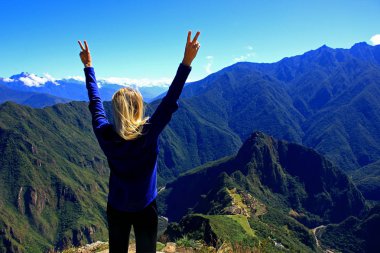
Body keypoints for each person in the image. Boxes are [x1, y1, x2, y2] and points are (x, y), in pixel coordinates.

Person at [78, 31, 201, 253]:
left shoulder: (105, 134)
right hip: (146, 206)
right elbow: (170, 100)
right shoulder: (148, 133)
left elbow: (95, 101)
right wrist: (186, 62)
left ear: (115, 111)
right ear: (138, 108)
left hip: (116, 206)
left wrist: (88, 67)